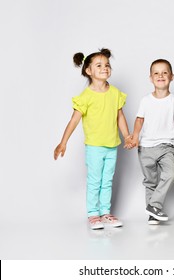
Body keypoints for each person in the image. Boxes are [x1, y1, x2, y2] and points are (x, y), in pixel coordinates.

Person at [54, 48, 132, 230]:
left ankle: (105, 213)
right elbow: (74, 120)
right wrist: (63, 142)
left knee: (107, 180)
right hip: (95, 148)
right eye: (99, 65)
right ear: (89, 71)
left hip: (112, 146)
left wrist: (127, 135)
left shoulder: (115, 93)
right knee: (95, 180)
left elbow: (120, 116)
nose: (105, 68)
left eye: (107, 65)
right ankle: (93, 214)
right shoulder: (86, 97)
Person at [131, 59, 174, 225]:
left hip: (166, 146)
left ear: (171, 77)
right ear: (151, 78)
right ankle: (153, 213)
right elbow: (139, 120)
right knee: (150, 182)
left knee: (170, 174)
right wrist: (135, 136)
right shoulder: (146, 100)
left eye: (165, 72)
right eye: (156, 73)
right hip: (145, 147)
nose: (160, 76)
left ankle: (153, 205)